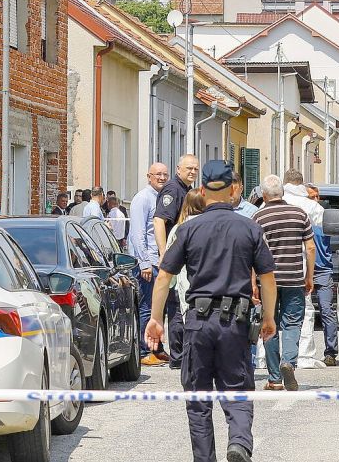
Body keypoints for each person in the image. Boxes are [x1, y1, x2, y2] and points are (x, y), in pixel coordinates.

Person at [146, 160, 277, 462]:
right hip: (236, 323)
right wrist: (269, 317)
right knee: (238, 388)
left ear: (202, 190)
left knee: (198, 399)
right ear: (233, 190)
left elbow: (165, 276)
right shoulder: (250, 228)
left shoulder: (188, 229)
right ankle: (240, 443)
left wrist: (155, 319)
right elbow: (268, 279)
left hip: (199, 324)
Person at [253, 174, 316, 392]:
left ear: (264, 194)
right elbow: (310, 247)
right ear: (282, 193)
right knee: (292, 322)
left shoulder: (258, 217)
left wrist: (253, 282)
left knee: (269, 325)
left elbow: (253, 254)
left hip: (267, 281)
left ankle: (274, 378)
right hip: (294, 278)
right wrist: (309, 276)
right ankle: (288, 360)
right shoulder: (300, 214)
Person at [154, 153, 199, 368]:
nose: (192, 172)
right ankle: (178, 356)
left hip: (182, 254)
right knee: (175, 306)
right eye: (188, 168)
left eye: (195, 169)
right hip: (175, 255)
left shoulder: (186, 190)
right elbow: (159, 220)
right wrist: (164, 253)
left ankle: (181, 354)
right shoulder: (173, 189)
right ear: (178, 169)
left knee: (181, 303)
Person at [129, 163, 171, 366]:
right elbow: (137, 234)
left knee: (158, 307)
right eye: (158, 174)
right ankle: (146, 351)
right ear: (149, 176)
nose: (162, 178)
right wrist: (144, 263)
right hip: (147, 263)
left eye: (165, 174)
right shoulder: (142, 199)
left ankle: (157, 348)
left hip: (158, 261)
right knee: (147, 307)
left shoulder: (161, 198)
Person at [301, 183, 338, 366]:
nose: (315, 200)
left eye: (317, 197)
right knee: (298, 312)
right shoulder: (301, 217)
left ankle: (331, 352)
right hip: (301, 270)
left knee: (326, 310)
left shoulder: (324, 218)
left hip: (323, 270)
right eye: (311, 197)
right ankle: (300, 352)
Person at [165, 190, 205, 315]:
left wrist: (169, 284)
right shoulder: (213, 227)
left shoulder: (179, 229)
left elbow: (168, 260)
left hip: (184, 286)